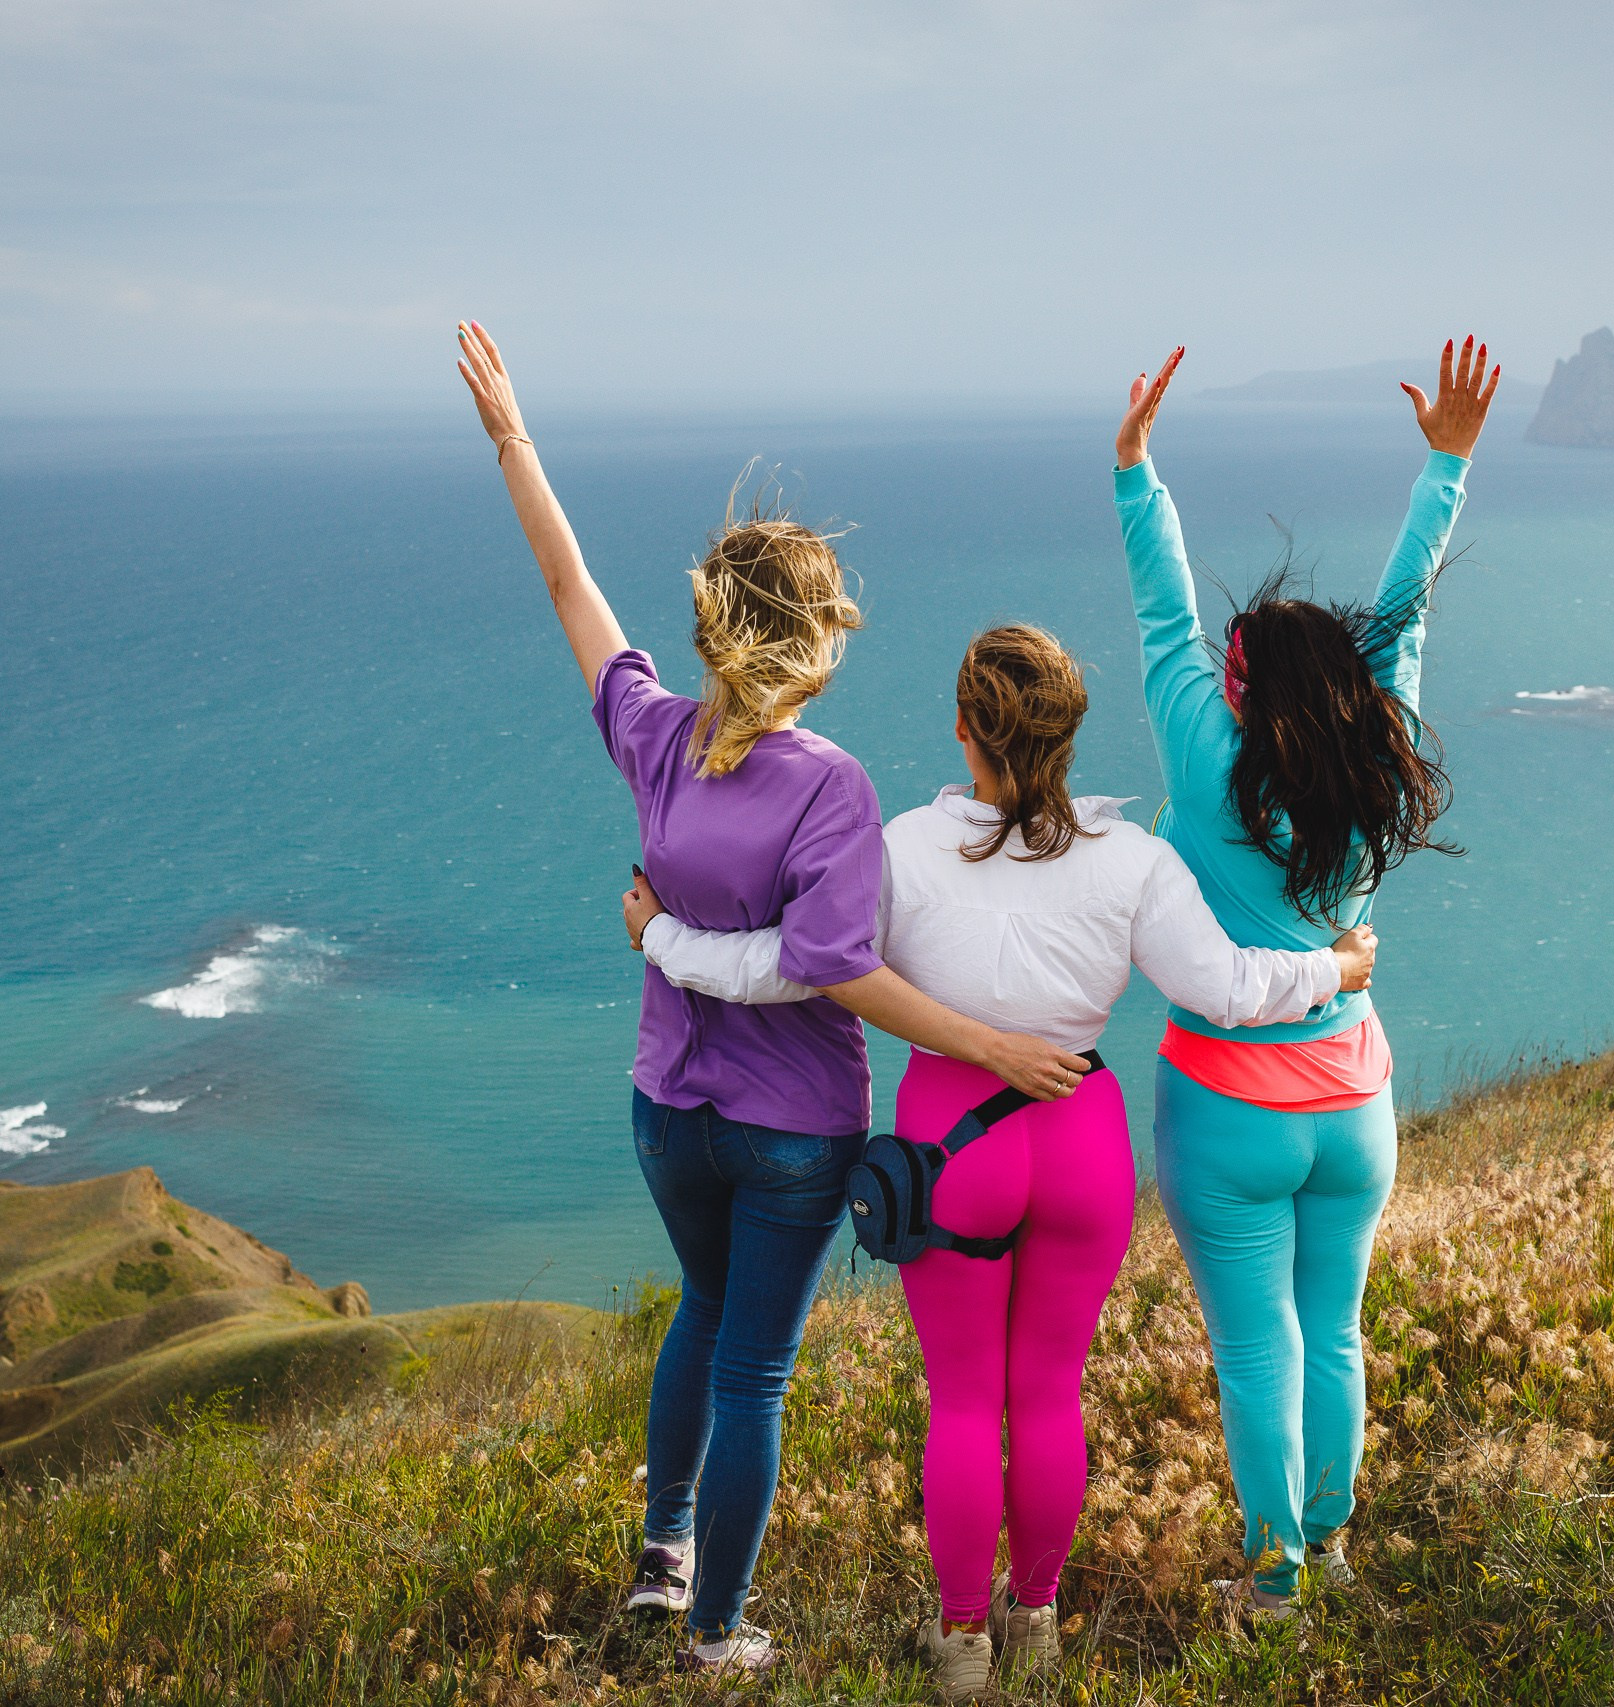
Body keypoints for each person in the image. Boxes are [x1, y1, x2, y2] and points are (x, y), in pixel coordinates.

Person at [453, 323, 1095, 1675]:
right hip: (794, 1122)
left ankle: (662, 1557)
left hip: (665, 1108)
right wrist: (989, 1041)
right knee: (754, 1365)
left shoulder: (654, 737)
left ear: (708, 629)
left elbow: (568, 581)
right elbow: (838, 967)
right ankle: (712, 1634)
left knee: (700, 1305)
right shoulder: (832, 785)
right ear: (817, 647)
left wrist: (513, 434)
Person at [624, 623, 1377, 1701]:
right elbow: (1224, 989)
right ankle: (1040, 1621)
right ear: (1069, 734)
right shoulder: (1134, 861)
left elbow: (795, 969)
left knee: (965, 1401)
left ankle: (963, 1643)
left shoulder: (900, 851)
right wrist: (1331, 966)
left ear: (966, 729)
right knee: (1050, 1394)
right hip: (1078, 1134)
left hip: (948, 1146)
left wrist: (664, 940)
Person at [1110, 337, 1497, 1617]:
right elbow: (1405, 622)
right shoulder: (1372, 764)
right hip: (1357, 1103)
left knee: (1255, 1350)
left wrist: (1135, 471)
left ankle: (1273, 1583)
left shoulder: (1205, 764)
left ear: (1239, 691)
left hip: (1228, 1108)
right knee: (1332, 1331)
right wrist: (1444, 467)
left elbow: (1164, 616)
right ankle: (1325, 1549)